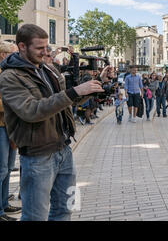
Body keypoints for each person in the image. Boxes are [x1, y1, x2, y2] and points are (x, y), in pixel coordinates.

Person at [0, 24, 105, 221]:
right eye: (40, 48)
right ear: (22, 46)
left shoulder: (47, 69)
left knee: (65, 209)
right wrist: (75, 92)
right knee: (35, 217)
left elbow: (64, 102)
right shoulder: (9, 77)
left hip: (64, 150)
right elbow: (32, 111)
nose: (46, 52)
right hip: (38, 156)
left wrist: (90, 88)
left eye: (46, 47)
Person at [0, 41, 21, 221]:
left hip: (9, 126)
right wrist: (13, 103)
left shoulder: (8, 74)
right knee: (1, 170)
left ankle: (4, 203)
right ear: (2, 55)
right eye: (11, 55)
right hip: (1, 126)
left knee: (7, 169)